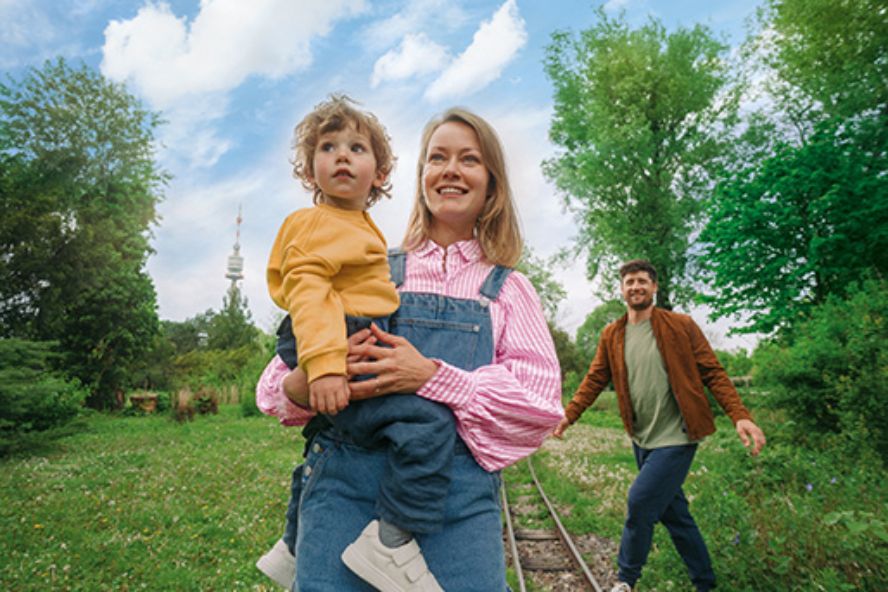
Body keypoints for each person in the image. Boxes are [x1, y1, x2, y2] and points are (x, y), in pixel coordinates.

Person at [257, 107, 564, 591]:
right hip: (344, 489)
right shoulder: (367, 265)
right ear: (421, 175)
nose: (450, 170)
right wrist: (306, 380)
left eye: (469, 159)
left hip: (456, 505)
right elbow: (274, 385)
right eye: (437, 157)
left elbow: (540, 407)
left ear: (491, 182)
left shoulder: (507, 289)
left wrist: (431, 377)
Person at [260, 94, 469, 591]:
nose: (342, 156)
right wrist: (326, 364)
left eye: (356, 147)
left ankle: (291, 545)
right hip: (332, 333)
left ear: (379, 174)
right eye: (328, 147)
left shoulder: (352, 224)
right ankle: (391, 542)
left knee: (326, 436)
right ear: (311, 171)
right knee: (426, 424)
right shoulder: (318, 222)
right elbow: (310, 292)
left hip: (341, 331)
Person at [553, 259, 766, 592]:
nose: (636, 287)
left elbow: (713, 371)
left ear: (654, 287)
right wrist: (569, 414)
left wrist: (739, 414)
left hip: (678, 436)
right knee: (676, 516)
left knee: (639, 502)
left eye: (642, 281)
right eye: (629, 282)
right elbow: (595, 378)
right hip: (642, 438)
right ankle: (705, 583)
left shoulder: (680, 326)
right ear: (622, 290)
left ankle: (626, 580)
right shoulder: (613, 334)